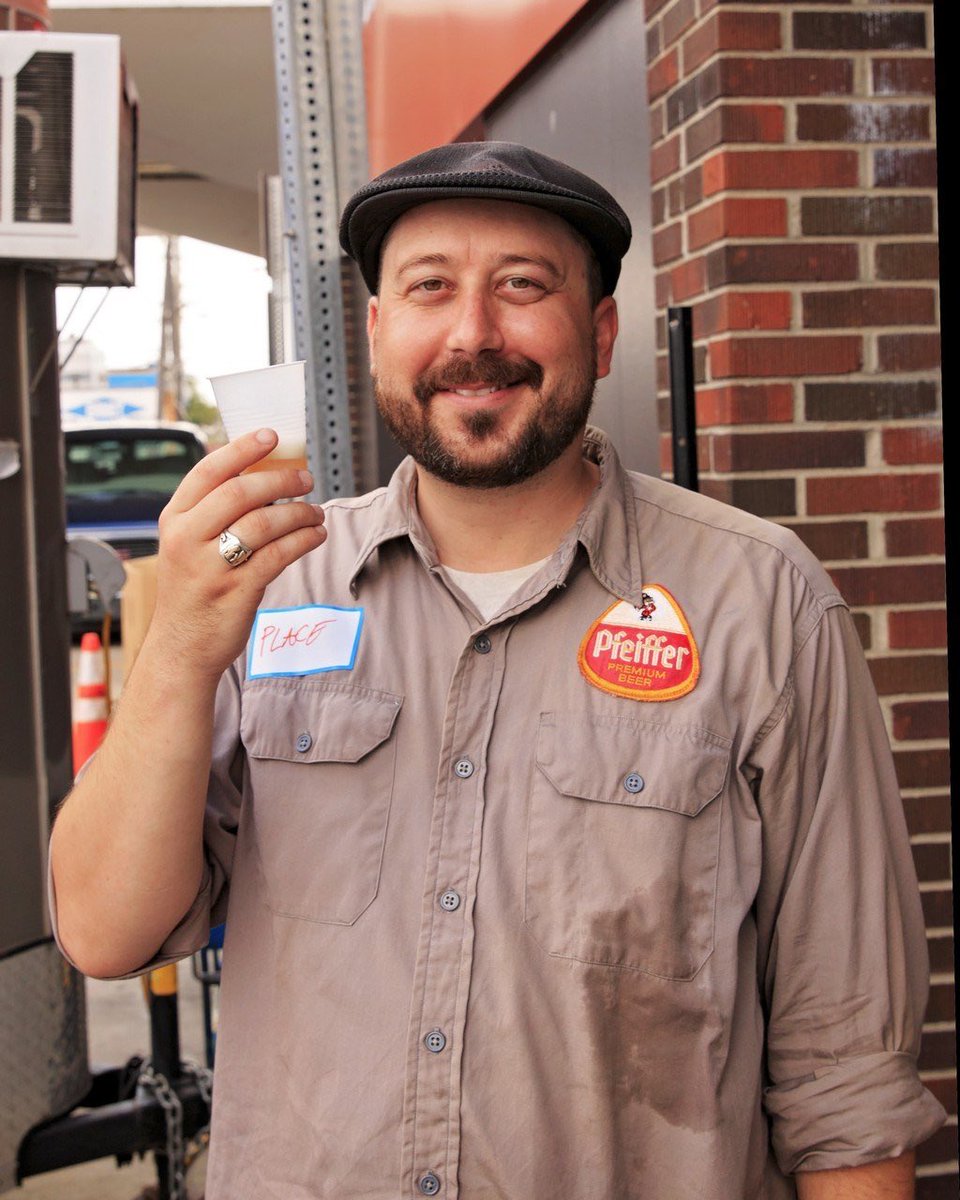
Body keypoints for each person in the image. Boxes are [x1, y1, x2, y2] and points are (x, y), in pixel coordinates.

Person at [50, 142, 945, 1199]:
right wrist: (180, 649)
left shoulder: (765, 603)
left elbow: (846, 1072)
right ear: (377, 331)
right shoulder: (270, 589)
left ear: (600, 332)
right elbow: (105, 932)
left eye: (522, 286)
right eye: (430, 287)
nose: (473, 334)